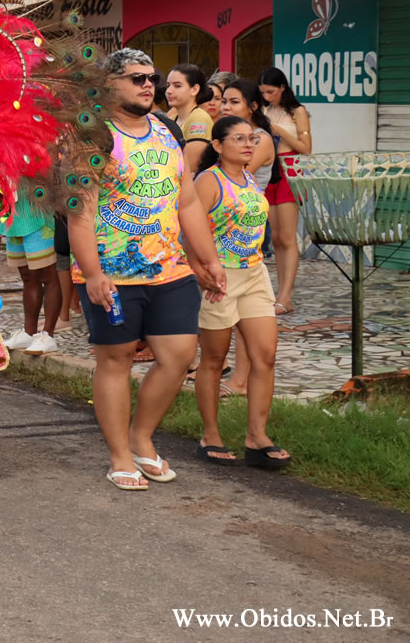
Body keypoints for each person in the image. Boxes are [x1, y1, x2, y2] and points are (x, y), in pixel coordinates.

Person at [69, 48, 226, 490]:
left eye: (151, 77)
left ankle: (141, 437)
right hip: (112, 273)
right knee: (116, 360)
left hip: (169, 269)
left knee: (179, 357)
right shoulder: (93, 138)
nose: (148, 85)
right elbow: (80, 213)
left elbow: (187, 201)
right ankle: (120, 454)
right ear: (109, 85)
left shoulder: (167, 130)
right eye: (136, 78)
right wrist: (92, 273)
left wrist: (209, 259)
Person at [190, 116, 289, 469]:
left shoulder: (249, 177)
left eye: (252, 139)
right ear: (218, 145)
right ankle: (210, 435)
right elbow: (188, 228)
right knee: (214, 360)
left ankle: (256, 437)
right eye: (239, 139)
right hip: (220, 279)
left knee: (265, 356)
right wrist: (198, 270)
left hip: (254, 274)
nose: (249, 145)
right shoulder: (208, 180)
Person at [216, 80, 276, 396]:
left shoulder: (259, 140)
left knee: (247, 316)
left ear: (252, 107)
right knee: (228, 315)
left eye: (234, 102)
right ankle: (231, 374)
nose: (226, 107)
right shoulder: (226, 139)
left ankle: (240, 378)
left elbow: (235, 175)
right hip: (224, 231)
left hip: (246, 230)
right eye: (224, 101)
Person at [258, 67, 311, 315]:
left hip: (290, 168)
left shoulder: (297, 111)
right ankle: (279, 293)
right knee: (276, 237)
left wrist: (279, 131)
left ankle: (286, 296)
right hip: (269, 169)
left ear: (282, 88)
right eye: (263, 92)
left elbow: (306, 147)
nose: (267, 97)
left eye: (271, 92)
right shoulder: (263, 109)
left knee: (288, 237)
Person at [2, 189, 60, 354]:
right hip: (14, 218)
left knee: (48, 276)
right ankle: (29, 333)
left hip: (39, 215)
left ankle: (48, 335)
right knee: (27, 277)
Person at [166, 64, 214, 174]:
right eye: (168, 85)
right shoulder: (172, 119)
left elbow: (190, 165)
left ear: (194, 89)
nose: (169, 91)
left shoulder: (199, 118)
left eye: (177, 86)